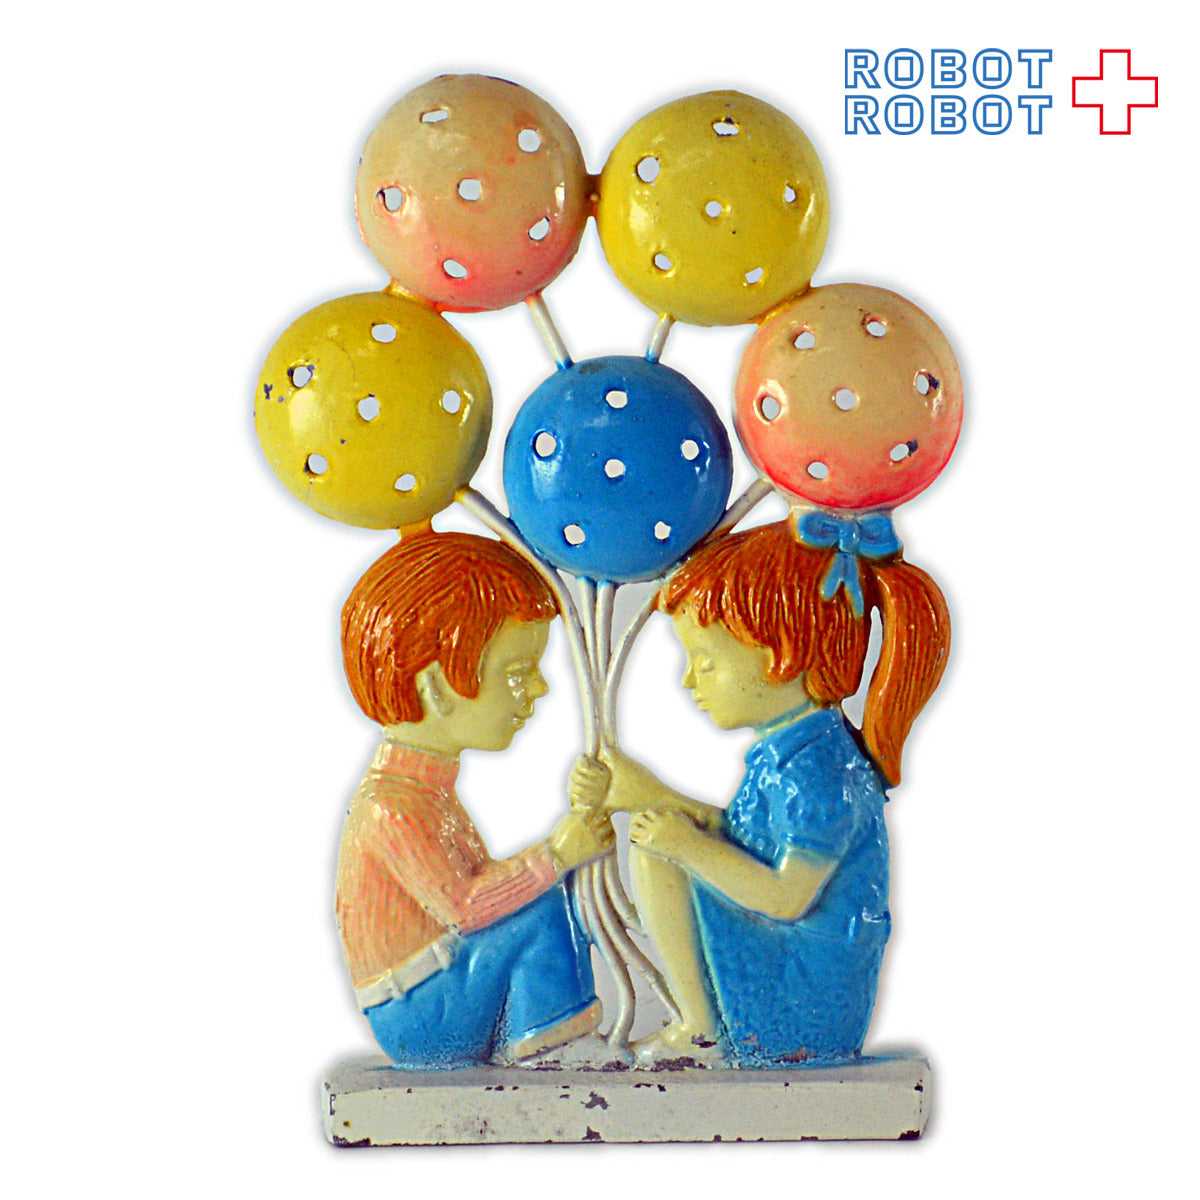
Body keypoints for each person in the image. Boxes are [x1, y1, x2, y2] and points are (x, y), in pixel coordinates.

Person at [601, 518, 950, 1066]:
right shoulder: (791, 754)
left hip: (805, 1001)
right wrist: (654, 795)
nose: (689, 680)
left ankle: (701, 1028)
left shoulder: (818, 775)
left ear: (781, 655)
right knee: (663, 842)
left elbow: (787, 898)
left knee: (662, 853)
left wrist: (686, 845)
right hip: (794, 968)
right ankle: (700, 1022)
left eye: (706, 661)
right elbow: (746, 840)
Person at [336, 531, 613, 1069]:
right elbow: (464, 906)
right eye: (518, 672)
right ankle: (553, 1047)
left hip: (439, 985)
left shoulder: (423, 792)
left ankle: (548, 1033)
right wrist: (556, 854)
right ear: (436, 687)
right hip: (418, 1011)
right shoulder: (391, 808)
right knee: (540, 910)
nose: (539, 688)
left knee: (546, 902)